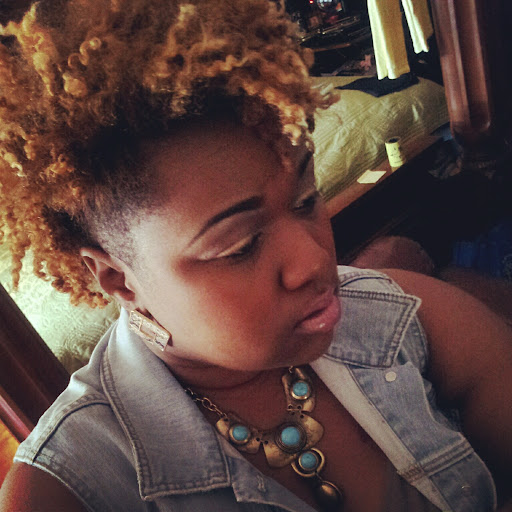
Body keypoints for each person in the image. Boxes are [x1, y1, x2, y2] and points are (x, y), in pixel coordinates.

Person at [0, 1, 511, 511]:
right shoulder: (68, 489)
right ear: (118, 279)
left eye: (306, 200)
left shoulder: (396, 315)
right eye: (240, 246)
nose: (315, 262)